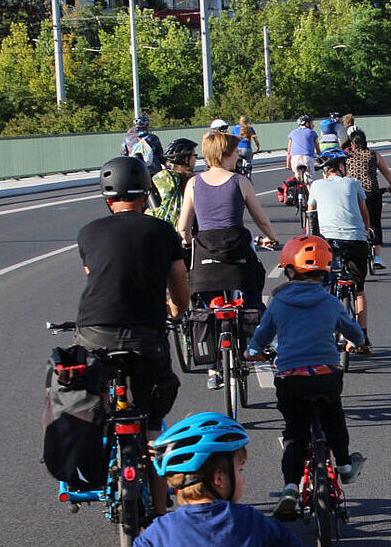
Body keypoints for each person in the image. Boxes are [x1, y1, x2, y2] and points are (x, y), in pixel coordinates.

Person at [77, 156, 189, 513]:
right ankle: (159, 511)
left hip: (95, 332)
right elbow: (179, 286)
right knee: (153, 418)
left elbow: (97, 278)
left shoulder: (88, 232)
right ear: (146, 196)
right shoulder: (163, 232)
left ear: (107, 199)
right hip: (146, 338)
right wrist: (177, 311)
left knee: (95, 398)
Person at [245, 236, 368, 519]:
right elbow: (355, 333)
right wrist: (357, 341)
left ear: (289, 271)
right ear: (326, 271)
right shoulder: (330, 301)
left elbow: (260, 338)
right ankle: (345, 466)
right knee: (334, 416)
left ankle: (290, 487)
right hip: (325, 377)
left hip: (291, 380)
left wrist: (253, 352)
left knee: (295, 433)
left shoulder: (278, 303)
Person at [176, 132, 280, 389]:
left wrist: (189, 241)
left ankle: (212, 368)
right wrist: (271, 237)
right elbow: (260, 218)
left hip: (205, 251)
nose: (237, 157)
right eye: (234, 153)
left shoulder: (193, 184)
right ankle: (256, 346)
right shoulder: (239, 181)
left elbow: (183, 226)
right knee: (253, 289)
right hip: (237, 248)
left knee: (205, 304)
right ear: (224, 155)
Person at [137, 412, 302, 547]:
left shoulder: (157, 534)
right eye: (240, 470)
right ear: (219, 478)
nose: (243, 480)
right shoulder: (252, 523)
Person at [308, 148, 375, 352]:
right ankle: (362, 337)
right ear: (340, 166)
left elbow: (310, 214)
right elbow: (364, 212)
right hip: (355, 240)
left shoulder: (317, 185)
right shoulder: (353, 183)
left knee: (322, 286)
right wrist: (367, 231)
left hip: (327, 241)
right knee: (359, 288)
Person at [344, 131, 391, 270]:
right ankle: (377, 257)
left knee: (352, 223)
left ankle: (352, 254)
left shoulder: (347, 157)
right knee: (375, 223)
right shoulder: (374, 154)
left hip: (352, 194)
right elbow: (385, 171)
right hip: (371, 193)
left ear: (353, 144)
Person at [149, 138, 199, 227]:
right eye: (195, 156)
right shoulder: (194, 181)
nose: (196, 159)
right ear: (186, 159)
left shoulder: (164, 179)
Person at [287, 116, 321, 182]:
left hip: (295, 159)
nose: (313, 125)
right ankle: (309, 190)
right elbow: (318, 149)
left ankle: (297, 189)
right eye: (312, 123)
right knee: (309, 180)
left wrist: (288, 164)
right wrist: (320, 159)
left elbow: (289, 150)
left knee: (297, 176)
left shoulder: (293, 133)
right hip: (307, 158)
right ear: (307, 124)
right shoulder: (312, 133)